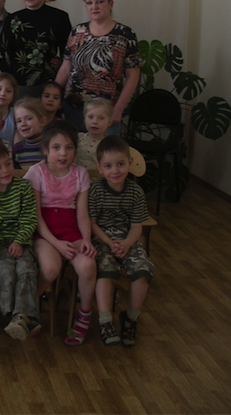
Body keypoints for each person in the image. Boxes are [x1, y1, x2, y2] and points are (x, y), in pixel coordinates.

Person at [25, 121, 96, 345]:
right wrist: (56, 243)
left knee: (88, 265)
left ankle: (84, 316)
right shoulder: (36, 172)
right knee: (50, 268)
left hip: (71, 230)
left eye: (69, 147)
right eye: (56, 147)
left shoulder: (80, 173)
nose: (63, 153)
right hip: (45, 233)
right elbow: (36, 217)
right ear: (45, 149)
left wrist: (86, 239)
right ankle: (28, 309)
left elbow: (82, 214)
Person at [90, 136, 154, 347]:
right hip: (102, 239)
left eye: (120, 164)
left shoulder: (135, 192)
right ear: (100, 167)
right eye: (108, 166)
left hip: (128, 239)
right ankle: (105, 321)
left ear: (129, 163)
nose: (115, 171)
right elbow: (92, 224)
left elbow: (137, 226)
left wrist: (126, 244)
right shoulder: (96, 189)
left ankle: (131, 318)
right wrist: (109, 243)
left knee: (143, 270)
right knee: (105, 269)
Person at [56, 0, 141, 133]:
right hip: (73, 108)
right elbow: (65, 68)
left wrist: (119, 108)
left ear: (111, 4)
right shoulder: (77, 31)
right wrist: (53, 95)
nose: (94, 7)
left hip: (105, 113)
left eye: (99, 2)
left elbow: (133, 76)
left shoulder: (125, 34)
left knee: (104, 149)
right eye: (89, 3)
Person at [0, 139, 39, 340]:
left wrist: (19, 241)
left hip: (22, 240)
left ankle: (21, 317)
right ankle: (19, 317)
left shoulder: (23, 187)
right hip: (0, 242)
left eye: (8, 164)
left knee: (26, 270)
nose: (5, 170)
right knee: (4, 270)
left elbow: (29, 218)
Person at [13, 0, 73, 95]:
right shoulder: (12, 19)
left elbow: (68, 53)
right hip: (17, 84)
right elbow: (5, 54)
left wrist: (61, 63)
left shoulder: (59, 17)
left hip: (48, 84)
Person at [75, 98, 114, 172]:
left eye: (101, 118)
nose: (95, 122)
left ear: (109, 122)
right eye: (90, 117)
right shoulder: (77, 138)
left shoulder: (110, 146)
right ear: (84, 118)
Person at [12, 97, 48, 169]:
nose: (23, 124)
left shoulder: (50, 146)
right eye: (19, 121)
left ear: (42, 121)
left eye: (28, 118)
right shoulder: (17, 149)